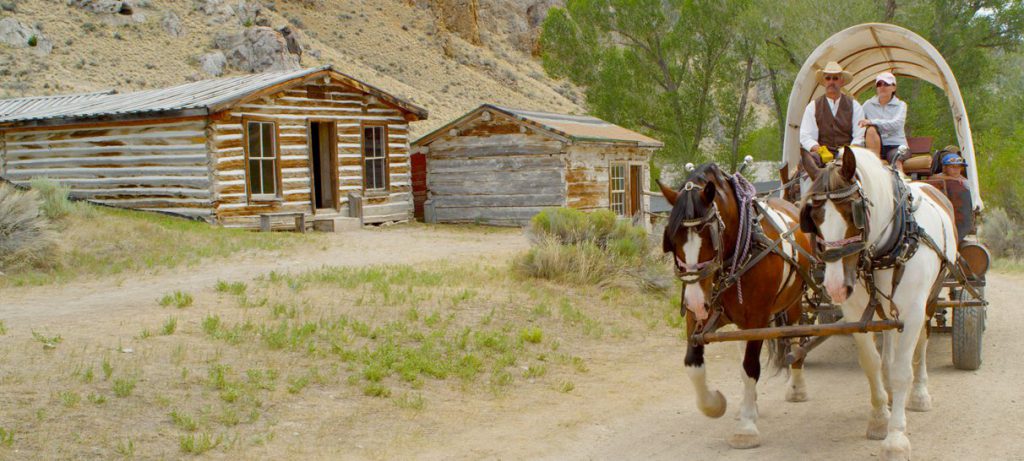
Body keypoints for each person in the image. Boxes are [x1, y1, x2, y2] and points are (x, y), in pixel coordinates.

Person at [799, 61, 866, 166]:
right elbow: (805, 135)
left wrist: (849, 152)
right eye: (828, 78)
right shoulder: (813, 107)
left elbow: (859, 135)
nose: (831, 82)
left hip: (848, 155)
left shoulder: (854, 106)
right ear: (824, 81)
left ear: (841, 81)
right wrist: (819, 150)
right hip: (822, 155)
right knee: (806, 165)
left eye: (835, 78)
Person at [860, 72, 909, 170]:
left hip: (896, 145)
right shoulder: (867, 105)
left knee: (895, 160)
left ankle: (901, 183)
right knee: (871, 130)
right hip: (874, 146)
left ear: (893, 88)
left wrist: (872, 122)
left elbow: (896, 124)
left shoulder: (901, 105)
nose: (882, 87)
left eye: (886, 84)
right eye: (879, 84)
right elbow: (859, 123)